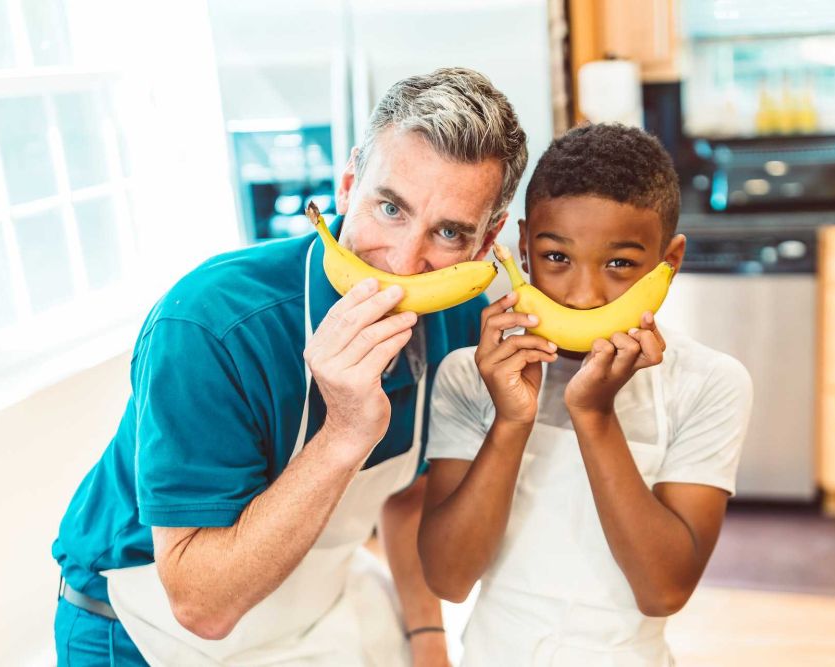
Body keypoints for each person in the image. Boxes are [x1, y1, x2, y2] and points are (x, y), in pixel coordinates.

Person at [51, 67, 528, 666]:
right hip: (139, 627)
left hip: (302, 618)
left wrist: (428, 640)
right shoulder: (210, 327)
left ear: (487, 244)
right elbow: (201, 606)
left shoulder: (459, 322)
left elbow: (408, 501)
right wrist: (347, 431)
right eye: (389, 208)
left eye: (450, 232)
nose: (405, 262)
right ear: (349, 184)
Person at [418, 123, 754, 666]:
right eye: (556, 257)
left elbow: (663, 590)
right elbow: (448, 580)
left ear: (670, 262)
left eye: (620, 263)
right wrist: (509, 423)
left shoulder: (710, 384)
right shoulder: (469, 376)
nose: (584, 294)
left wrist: (594, 415)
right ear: (523, 248)